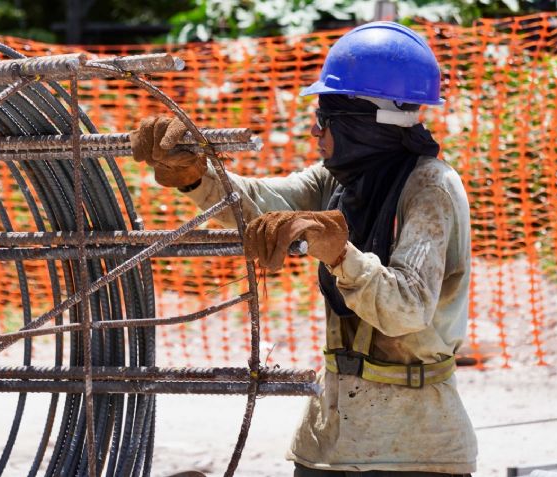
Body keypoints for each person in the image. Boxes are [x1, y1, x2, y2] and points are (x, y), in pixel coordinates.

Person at [129, 21, 477, 477]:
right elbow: (260, 206)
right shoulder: (340, 181)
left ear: (362, 125)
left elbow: (407, 309)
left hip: (413, 447)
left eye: (325, 122)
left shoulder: (430, 187)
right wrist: (197, 175)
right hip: (330, 440)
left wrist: (340, 255)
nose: (317, 134)